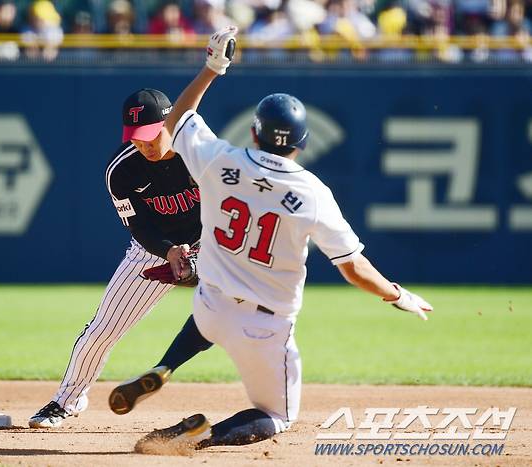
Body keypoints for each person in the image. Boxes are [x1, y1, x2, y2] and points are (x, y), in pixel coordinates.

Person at [108, 26, 433, 452]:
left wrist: (212, 66)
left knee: (211, 312)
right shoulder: (313, 193)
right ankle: (201, 436)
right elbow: (354, 268)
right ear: (301, 144)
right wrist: (396, 295)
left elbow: (178, 120)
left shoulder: (220, 161)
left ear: (255, 133)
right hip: (265, 324)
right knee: (276, 416)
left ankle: (166, 365)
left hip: (211, 303)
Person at [28, 87, 212, 428]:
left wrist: (206, 254)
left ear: (170, 124)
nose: (143, 145)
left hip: (211, 241)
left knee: (250, 315)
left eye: (150, 136)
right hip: (153, 250)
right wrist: (170, 250)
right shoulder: (122, 169)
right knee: (101, 330)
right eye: (136, 138)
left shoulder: (201, 152)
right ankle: (65, 401)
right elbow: (139, 226)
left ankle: (273, 406)